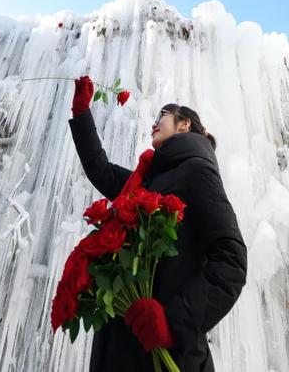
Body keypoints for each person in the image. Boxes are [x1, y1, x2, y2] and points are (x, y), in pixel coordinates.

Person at [68, 76, 248, 372]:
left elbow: (231, 258)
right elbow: (100, 170)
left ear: (185, 124)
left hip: (166, 355)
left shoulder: (197, 171)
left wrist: (173, 322)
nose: (155, 122)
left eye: (163, 115)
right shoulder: (145, 182)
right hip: (123, 349)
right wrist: (82, 113)